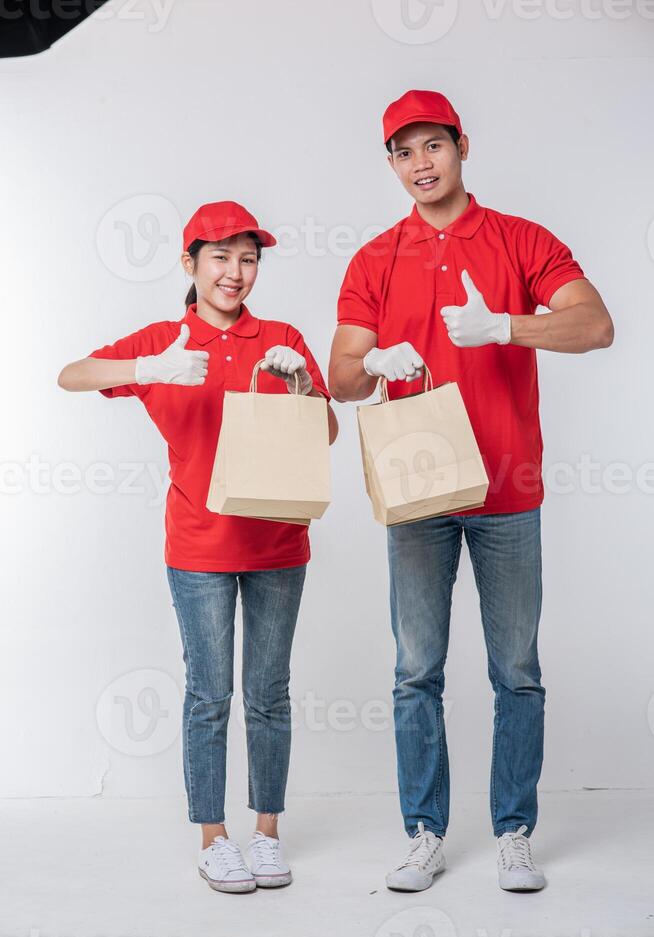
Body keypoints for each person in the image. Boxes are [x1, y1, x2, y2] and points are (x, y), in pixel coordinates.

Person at [329, 90, 613, 892]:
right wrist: (374, 366)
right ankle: (424, 831)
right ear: (391, 163)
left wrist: (508, 326)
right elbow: (341, 374)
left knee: (515, 668)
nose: (420, 164)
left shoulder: (523, 240)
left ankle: (514, 830)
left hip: (509, 492)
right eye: (403, 151)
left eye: (433, 146)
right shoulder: (375, 259)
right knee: (416, 669)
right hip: (418, 493)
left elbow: (595, 326)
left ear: (462, 146)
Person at [58, 200, 338, 895]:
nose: (235, 273)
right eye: (220, 257)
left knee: (269, 693)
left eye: (248, 259)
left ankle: (266, 835)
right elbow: (72, 373)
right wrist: (153, 365)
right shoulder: (165, 340)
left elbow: (325, 433)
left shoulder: (280, 336)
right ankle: (214, 838)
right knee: (209, 694)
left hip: (278, 543)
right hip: (198, 546)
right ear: (190, 264)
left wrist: (301, 386)